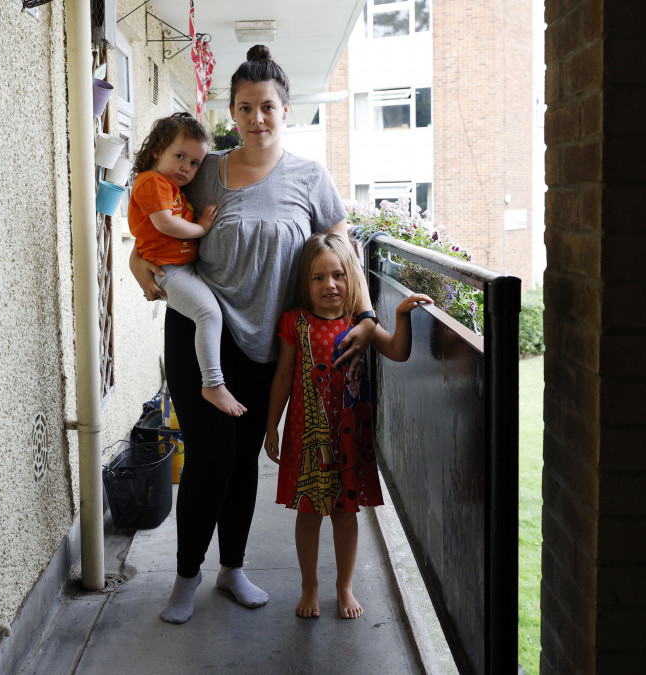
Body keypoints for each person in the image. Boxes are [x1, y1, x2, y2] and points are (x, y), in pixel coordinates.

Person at [130, 45, 380, 625]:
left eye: (266, 106)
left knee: (244, 462)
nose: (255, 118)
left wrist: (365, 318)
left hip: (267, 345)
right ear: (233, 112)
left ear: (284, 109)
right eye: (244, 107)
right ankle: (186, 576)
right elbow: (150, 219)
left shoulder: (309, 178)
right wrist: (141, 268)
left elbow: (344, 255)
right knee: (209, 460)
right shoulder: (205, 170)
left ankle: (231, 569)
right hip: (199, 337)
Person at [264, 233, 432, 619]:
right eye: (318, 278)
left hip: (350, 439)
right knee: (308, 514)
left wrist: (401, 316)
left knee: (345, 513)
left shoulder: (360, 325)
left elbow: (399, 352)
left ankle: (345, 586)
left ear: (350, 278)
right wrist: (271, 427)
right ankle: (310, 586)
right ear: (305, 285)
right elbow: (283, 377)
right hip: (308, 439)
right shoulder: (295, 323)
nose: (330, 285)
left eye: (338, 275)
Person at [128, 113, 246, 417]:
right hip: (169, 271)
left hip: (183, 268)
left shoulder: (172, 187)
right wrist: (202, 227)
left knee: (210, 313)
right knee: (208, 313)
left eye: (194, 163)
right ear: (157, 151)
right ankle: (213, 383)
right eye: (179, 156)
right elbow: (165, 224)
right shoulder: (152, 181)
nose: (186, 167)